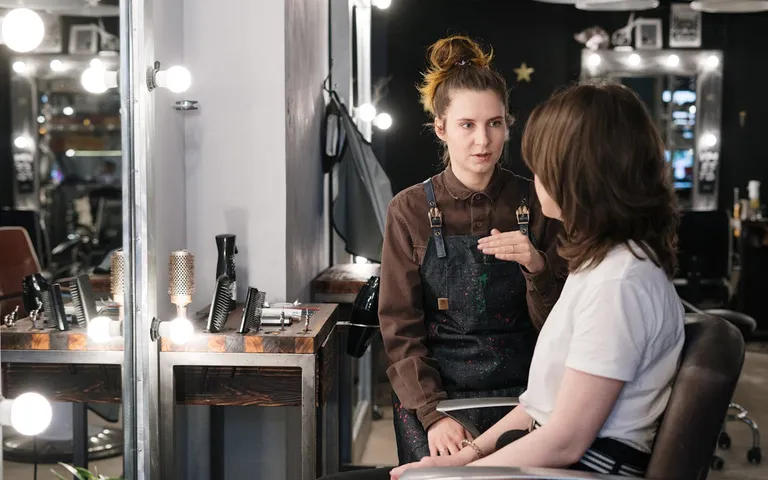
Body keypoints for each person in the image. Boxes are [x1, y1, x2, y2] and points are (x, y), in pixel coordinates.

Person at [385, 82, 686, 479]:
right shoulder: (601, 266)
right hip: (537, 443)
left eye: (542, 165)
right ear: (441, 128)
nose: (533, 178)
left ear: (577, 175)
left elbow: (564, 440)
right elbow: (541, 403)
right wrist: (463, 458)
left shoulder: (619, 284)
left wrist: (458, 476)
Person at [378, 34, 567, 466]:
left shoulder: (539, 203)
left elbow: (563, 325)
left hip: (527, 392)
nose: (483, 140)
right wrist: (431, 414)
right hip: (434, 395)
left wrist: (537, 266)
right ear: (441, 128)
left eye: (495, 123)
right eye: (467, 125)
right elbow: (400, 328)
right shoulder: (407, 210)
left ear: (508, 125)